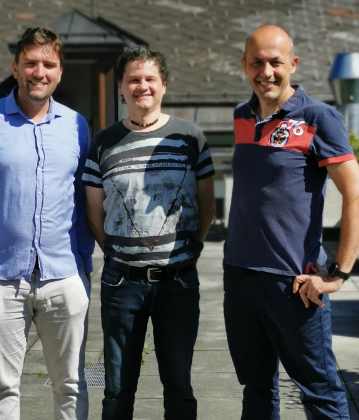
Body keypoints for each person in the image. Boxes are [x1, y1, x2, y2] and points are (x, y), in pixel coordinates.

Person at [223, 25, 359, 420]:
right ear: (244, 65)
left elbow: (358, 195)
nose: (266, 72)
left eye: (276, 62)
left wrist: (338, 274)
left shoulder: (318, 117)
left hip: (293, 284)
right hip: (240, 278)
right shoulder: (242, 116)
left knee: (320, 394)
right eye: (257, 63)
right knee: (256, 390)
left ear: (293, 64)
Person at [0, 27, 94, 420]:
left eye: (49, 64)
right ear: (15, 68)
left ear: (60, 72)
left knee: (71, 385)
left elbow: (82, 197)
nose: (39, 72)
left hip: (64, 275)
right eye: (30, 63)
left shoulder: (76, 126)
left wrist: (84, 269)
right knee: (0, 389)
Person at [84, 46, 216, 420]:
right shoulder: (102, 142)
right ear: (121, 87)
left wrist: (191, 248)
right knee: (117, 390)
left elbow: (207, 205)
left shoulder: (191, 137)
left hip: (179, 282)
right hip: (121, 283)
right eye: (133, 80)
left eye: (150, 79)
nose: (142, 86)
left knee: (179, 387)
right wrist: (117, 252)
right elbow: (93, 211)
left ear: (163, 85)